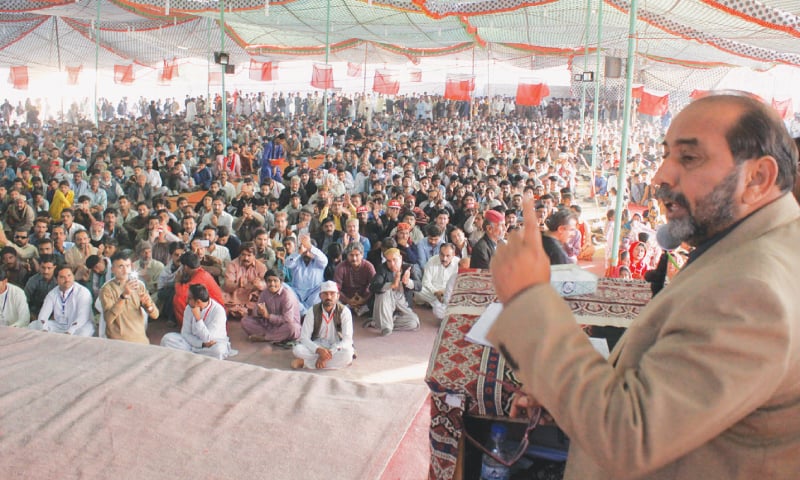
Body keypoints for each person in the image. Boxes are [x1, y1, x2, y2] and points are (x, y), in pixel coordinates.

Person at [487, 95, 800, 479]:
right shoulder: (759, 247)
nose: (659, 177)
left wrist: (527, 298)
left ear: (758, 178)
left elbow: (628, 436)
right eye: (666, 155)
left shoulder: (753, 290)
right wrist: (564, 390)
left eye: (689, 158)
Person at [161, 284, 236, 360]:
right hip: (192, 344)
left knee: (219, 350)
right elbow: (185, 333)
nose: (186, 301)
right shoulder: (189, 308)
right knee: (167, 339)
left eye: (189, 298)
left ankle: (188, 356)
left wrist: (198, 319)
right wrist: (201, 344)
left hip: (211, 345)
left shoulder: (218, 311)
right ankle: (194, 356)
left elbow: (209, 339)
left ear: (198, 302)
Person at [291, 281, 354, 370]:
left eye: (332, 294)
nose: (329, 297)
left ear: (338, 296)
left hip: (336, 346)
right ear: (320, 296)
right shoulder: (312, 311)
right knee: (297, 350)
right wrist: (318, 350)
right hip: (317, 344)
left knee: (347, 354)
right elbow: (304, 338)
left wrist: (328, 353)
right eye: (325, 294)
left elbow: (347, 339)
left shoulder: (344, 312)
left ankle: (305, 363)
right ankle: (332, 362)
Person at [99, 252, 159, 344]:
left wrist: (148, 306)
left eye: (127, 266)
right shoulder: (107, 289)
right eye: (121, 267)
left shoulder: (138, 285)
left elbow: (155, 315)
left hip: (140, 339)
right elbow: (108, 319)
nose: (125, 270)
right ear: (112, 269)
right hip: (118, 341)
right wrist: (123, 296)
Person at [368, 247, 421, 336]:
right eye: (389, 261)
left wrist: (408, 282)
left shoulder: (409, 268)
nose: (392, 264)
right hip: (387, 301)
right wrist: (391, 285)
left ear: (400, 258)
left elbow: (419, 286)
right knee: (384, 291)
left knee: (414, 323)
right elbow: (373, 286)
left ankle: (382, 323)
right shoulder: (382, 268)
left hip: (402, 302)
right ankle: (386, 326)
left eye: (394, 260)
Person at [29, 264, 94, 336]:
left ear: (73, 276)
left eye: (69, 276)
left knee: (83, 333)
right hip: (59, 325)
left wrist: (70, 331)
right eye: (62, 277)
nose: (67, 279)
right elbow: (43, 315)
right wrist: (44, 329)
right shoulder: (52, 293)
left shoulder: (83, 292)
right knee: (33, 325)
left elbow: (83, 317)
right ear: (56, 279)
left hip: (79, 325)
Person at [241, 269, 302, 343]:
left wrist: (268, 316)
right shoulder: (264, 293)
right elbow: (256, 311)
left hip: (284, 326)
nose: (272, 284)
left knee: (292, 328)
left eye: (275, 281)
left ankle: (265, 338)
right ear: (266, 282)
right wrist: (259, 312)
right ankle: (274, 336)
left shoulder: (287, 296)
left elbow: (287, 320)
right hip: (269, 325)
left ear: (281, 282)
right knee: (245, 321)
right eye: (269, 281)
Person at [285, 233, 327, 314]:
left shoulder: (319, 262)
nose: (306, 253)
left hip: (314, 294)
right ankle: (304, 312)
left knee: (325, 287)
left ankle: (303, 311)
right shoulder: (297, 259)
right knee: (283, 286)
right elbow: (288, 264)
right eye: (304, 250)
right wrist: (298, 253)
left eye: (309, 250)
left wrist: (309, 246)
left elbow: (324, 260)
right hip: (297, 293)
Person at [221, 242, 266, 320]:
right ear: (239, 255)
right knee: (221, 297)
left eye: (249, 255)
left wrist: (260, 285)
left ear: (254, 256)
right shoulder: (232, 265)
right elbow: (227, 286)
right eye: (243, 255)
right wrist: (238, 285)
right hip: (234, 296)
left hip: (251, 298)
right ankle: (243, 312)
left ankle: (242, 312)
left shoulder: (261, 267)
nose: (246, 258)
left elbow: (266, 285)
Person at [415, 243, 459, 321]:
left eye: (448, 256)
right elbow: (426, 282)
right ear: (439, 253)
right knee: (418, 290)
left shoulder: (458, 263)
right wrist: (435, 292)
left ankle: (436, 304)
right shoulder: (432, 260)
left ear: (453, 255)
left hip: (448, 293)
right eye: (442, 255)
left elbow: (457, 284)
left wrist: (444, 292)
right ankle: (441, 304)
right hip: (433, 292)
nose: (444, 258)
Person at [333, 242, 375, 317]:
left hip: (364, 298)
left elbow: (374, 286)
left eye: (357, 255)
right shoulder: (340, 267)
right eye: (351, 255)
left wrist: (364, 299)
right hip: (346, 298)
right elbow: (336, 288)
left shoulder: (369, 267)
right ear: (347, 255)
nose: (354, 258)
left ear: (362, 255)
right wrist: (348, 300)